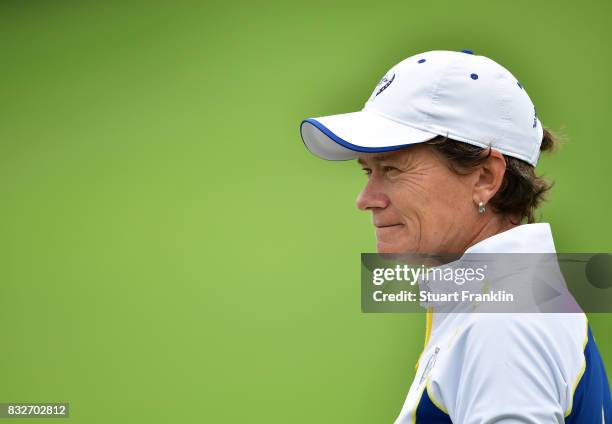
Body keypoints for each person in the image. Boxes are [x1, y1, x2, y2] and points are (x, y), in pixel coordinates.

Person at [299, 50, 611, 422]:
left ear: (485, 178)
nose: (366, 200)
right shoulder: (506, 300)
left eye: (394, 169)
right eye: (369, 172)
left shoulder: (503, 326)